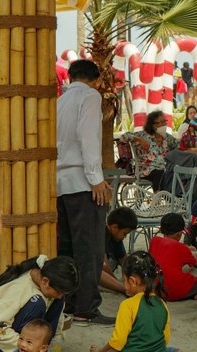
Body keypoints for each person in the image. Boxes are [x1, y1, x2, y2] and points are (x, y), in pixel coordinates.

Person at [57, 59, 114, 326]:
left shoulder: (61, 100)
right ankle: (86, 308)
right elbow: (88, 138)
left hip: (60, 182)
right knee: (89, 248)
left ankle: (67, 302)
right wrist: (96, 179)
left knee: (67, 247)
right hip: (82, 181)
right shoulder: (90, 96)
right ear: (96, 80)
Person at [89, 252, 191, 352]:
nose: (124, 283)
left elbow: (118, 342)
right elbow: (165, 338)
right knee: (165, 349)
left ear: (133, 281)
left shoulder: (127, 305)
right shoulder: (162, 303)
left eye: (124, 279)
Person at [0, 255, 79, 352]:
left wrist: (54, 342)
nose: (59, 295)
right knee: (37, 303)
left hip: (15, 336)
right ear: (45, 281)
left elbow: (57, 308)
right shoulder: (20, 288)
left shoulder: (44, 278)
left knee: (59, 300)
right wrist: (28, 347)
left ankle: (35, 349)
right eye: (58, 291)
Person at [149, 213, 197, 301]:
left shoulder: (154, 241)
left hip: (156, 289)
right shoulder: (182, 248)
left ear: (161, 230)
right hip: (173, 292)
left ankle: (193, 294)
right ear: (179, 234)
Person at [120, 111, 179, 192]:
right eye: (161, 122)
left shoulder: (168, 138)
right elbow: (123, 137)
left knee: (174, 173)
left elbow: (179, 145)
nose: (164, 125)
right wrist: (139, 139)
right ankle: (157, 199)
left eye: (164, 121)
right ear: (153, 125)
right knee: (160, 173)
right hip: (146, 170)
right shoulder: (143, 135)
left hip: (164, 169)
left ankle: (171, 198)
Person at [101, 207, 138, 296]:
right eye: (124, 233)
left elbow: (124, 260)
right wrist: (117, 284)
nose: (125, 237)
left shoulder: (116, 238)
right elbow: (103, 266)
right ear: (114, 227)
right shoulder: (102, 234)